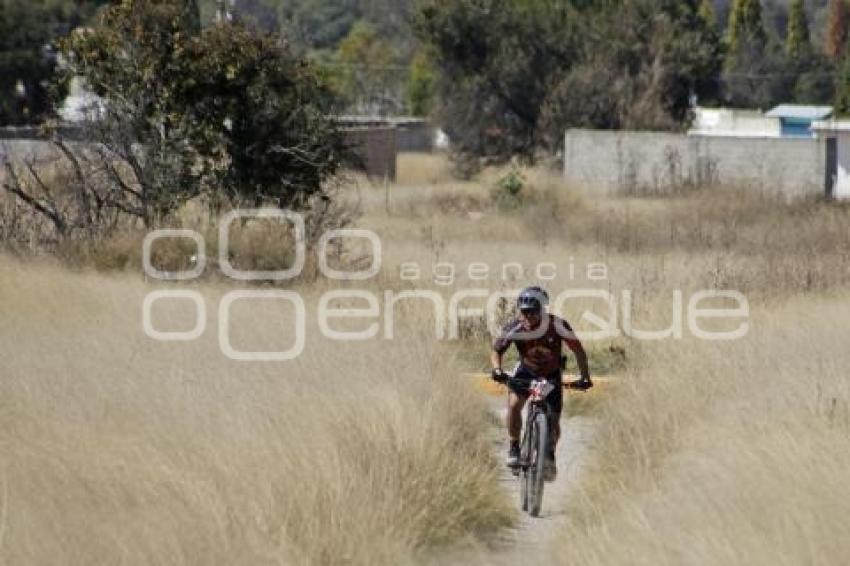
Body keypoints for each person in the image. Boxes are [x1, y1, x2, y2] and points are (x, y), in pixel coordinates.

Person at [490, 286, 592, 480]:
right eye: (524, 311)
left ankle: (549, 455)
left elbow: (578, 350)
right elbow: (497, 350)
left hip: (551, 374)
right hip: (525, 372)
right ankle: (514, 447)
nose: (528, 316)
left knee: (553, 420)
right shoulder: (516, 327)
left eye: (533, 312)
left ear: (543, 309)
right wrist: (497, 369)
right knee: (513, 405)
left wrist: (585, 376)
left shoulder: (558, 325)